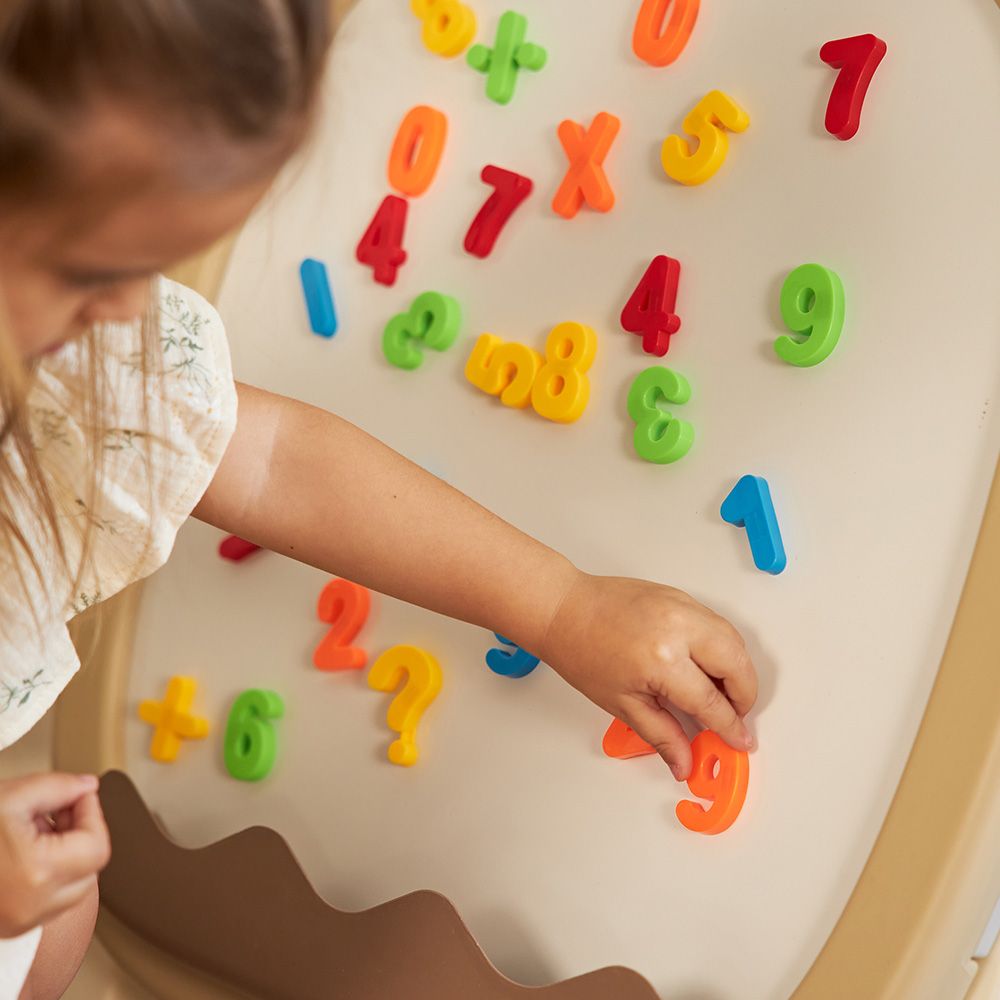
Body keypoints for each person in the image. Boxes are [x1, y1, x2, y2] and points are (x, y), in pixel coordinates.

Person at [0, 2, 758, 997]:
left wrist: (560, 604)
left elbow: (268, 459)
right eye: (93, 268)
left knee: (63, 915)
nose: (133, 312)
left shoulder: (77, 364)